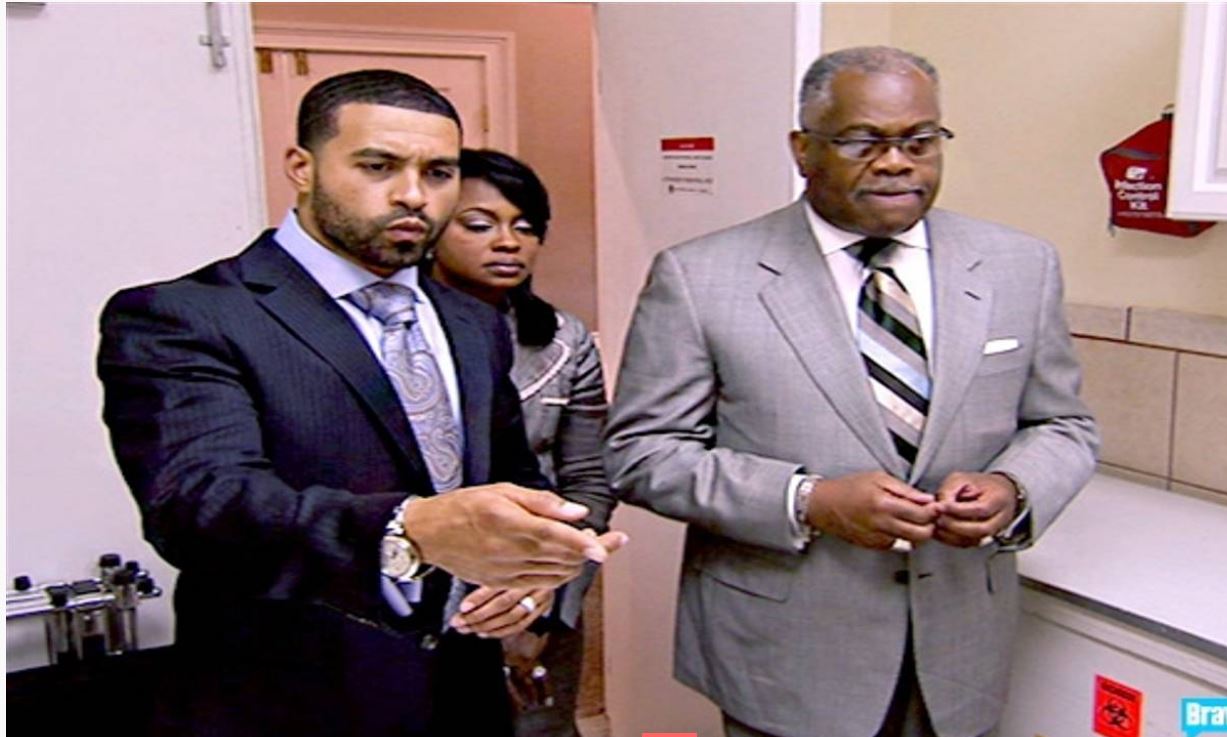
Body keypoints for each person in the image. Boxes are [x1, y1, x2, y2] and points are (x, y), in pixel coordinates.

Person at [96, 69, 626, 737]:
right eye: (378, 165)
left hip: (462, 692)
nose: (412, 194)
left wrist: (531, 568)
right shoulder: (188, 315)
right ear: (302, 166)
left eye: (439, 173)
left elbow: (510, 474)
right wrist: (410, 529)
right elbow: (201, 504)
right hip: (288, 697)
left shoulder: (471, 322)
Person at [603, 46, 1099, 737]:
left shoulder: (1021, 265)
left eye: (920, 141)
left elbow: (1063, 424)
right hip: (784, 652)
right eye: (863, 141)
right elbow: (641, 454)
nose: (897, 162)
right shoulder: (700, 277)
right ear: (803, 150)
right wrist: (809, 500)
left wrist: (1014, 489)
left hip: (959, 646)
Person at [429, 148, 615, 737]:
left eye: (526, 227)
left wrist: (544, 601)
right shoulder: (398, 333)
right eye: (480, 225)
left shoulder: (564, 342)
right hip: (424, 593)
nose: (508, 242)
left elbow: (588, 480)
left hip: (544, 592)